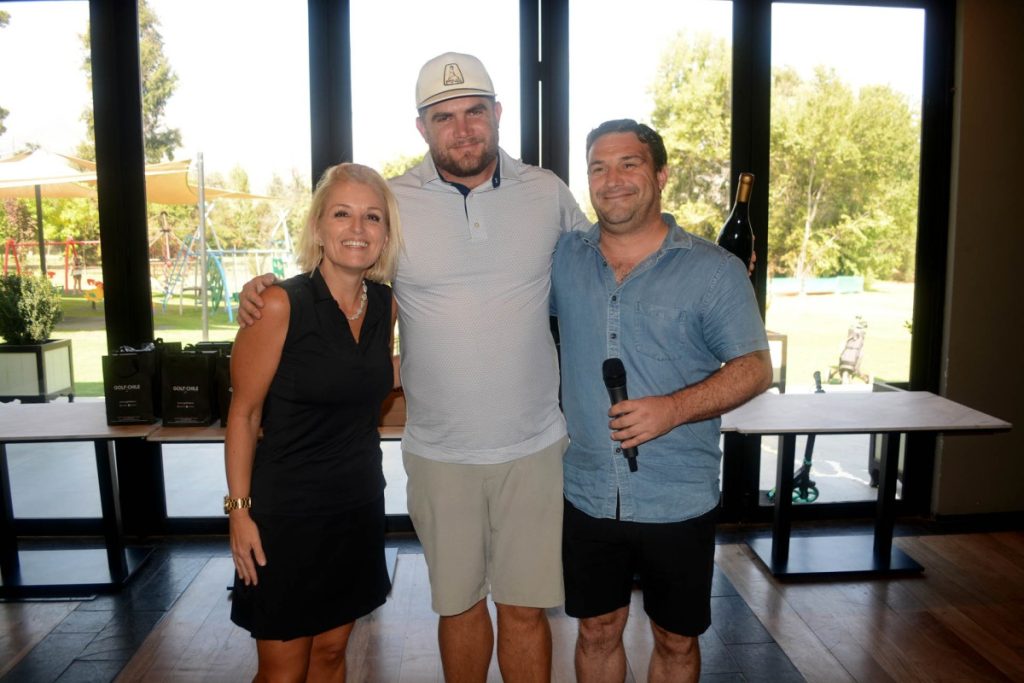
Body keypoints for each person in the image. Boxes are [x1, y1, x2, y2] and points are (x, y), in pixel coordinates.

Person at [238, 53, 590, 682]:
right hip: (438, 452)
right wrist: (261, 289)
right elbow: (339, 272)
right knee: (458, 607)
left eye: (475, 111)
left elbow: (601, 264)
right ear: (422, 127)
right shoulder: (393, 201)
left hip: (534, 446)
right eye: (444, 117)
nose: (463, 129)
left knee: (525, 611)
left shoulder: (547, 192)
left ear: (498, 113)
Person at [550, 119, 773, 683]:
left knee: (676, 639)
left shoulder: (714, 271)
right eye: (599, 168)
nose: (612, 180)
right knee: (596, 630)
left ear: (661, 175)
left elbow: (754, 368)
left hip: (677, 495)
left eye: (629, 164)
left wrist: (671, 409)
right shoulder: (563, 259)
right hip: (587, 492)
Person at [225, 163, 404, 682]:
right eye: (342, 214)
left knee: (330, 654)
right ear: (319, 226)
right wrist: (239, 512)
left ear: (385, 234)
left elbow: (364, 377)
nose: (358, 228)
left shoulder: (385, 305)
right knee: (282, 672)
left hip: (357, 508)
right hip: (287, 516)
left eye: (372, 217)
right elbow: (243, 414)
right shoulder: (278, 304)